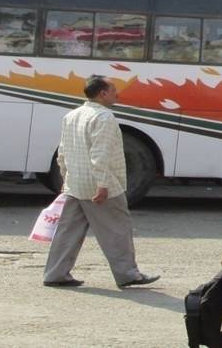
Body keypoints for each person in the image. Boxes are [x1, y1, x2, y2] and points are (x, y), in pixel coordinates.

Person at [43, 75, 158, 288]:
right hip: (98, 184)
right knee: (117, 228)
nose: (117, 94)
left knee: (68, 230)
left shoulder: (72, 115)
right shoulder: (104, 117)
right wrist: (103, 184)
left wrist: (65, 177)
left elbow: (63, 152)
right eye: (114, 89)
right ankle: (127, 274)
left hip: (75, 183)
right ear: (103, 93)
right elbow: (100, 154)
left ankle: (55, 273)